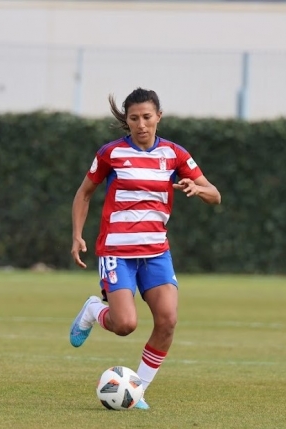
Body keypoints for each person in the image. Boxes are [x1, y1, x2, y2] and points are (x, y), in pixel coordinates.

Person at [69, 87, 221, 410]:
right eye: (134, 118)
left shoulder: (175, 155)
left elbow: (215, 194)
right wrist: (77, 235)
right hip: (117, 252)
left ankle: (137, 390)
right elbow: (84, 193)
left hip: (155, 253)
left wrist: (198, 187)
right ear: (127, 120)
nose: (141, 124)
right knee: (125, 325)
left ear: (159, 117)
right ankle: (93, 310)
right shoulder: (111, 153)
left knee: (167, 320)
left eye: (147, 117)